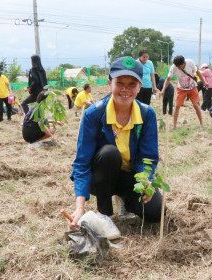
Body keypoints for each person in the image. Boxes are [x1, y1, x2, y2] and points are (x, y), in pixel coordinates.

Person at [68, 56, 164, 231]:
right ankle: (104, 213)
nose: (125, 89)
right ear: (109, 83)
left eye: (132, 84)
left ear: (140, 86)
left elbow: (148, 156)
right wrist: (79, 208)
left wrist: (146, 181)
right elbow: (81, 163)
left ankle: (125, 199)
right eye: (120, 83)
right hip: (101, 177)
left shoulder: (146, 114)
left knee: (156, 212)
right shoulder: (94, 114)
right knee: (109, 153)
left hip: (131, 177)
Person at [160, 55, 209, 130]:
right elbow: (168, 79)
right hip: (181, 88)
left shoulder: (190, 63)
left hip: (192, 87)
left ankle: (201, 124)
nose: (178, 68)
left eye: (180, 66)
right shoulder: (173, 68)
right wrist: (163, 90)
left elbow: (198, 72)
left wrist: (204, 82)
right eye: (177, 67)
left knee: (196, 105)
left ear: (184, 63)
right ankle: (174, 127)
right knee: (177, 106)